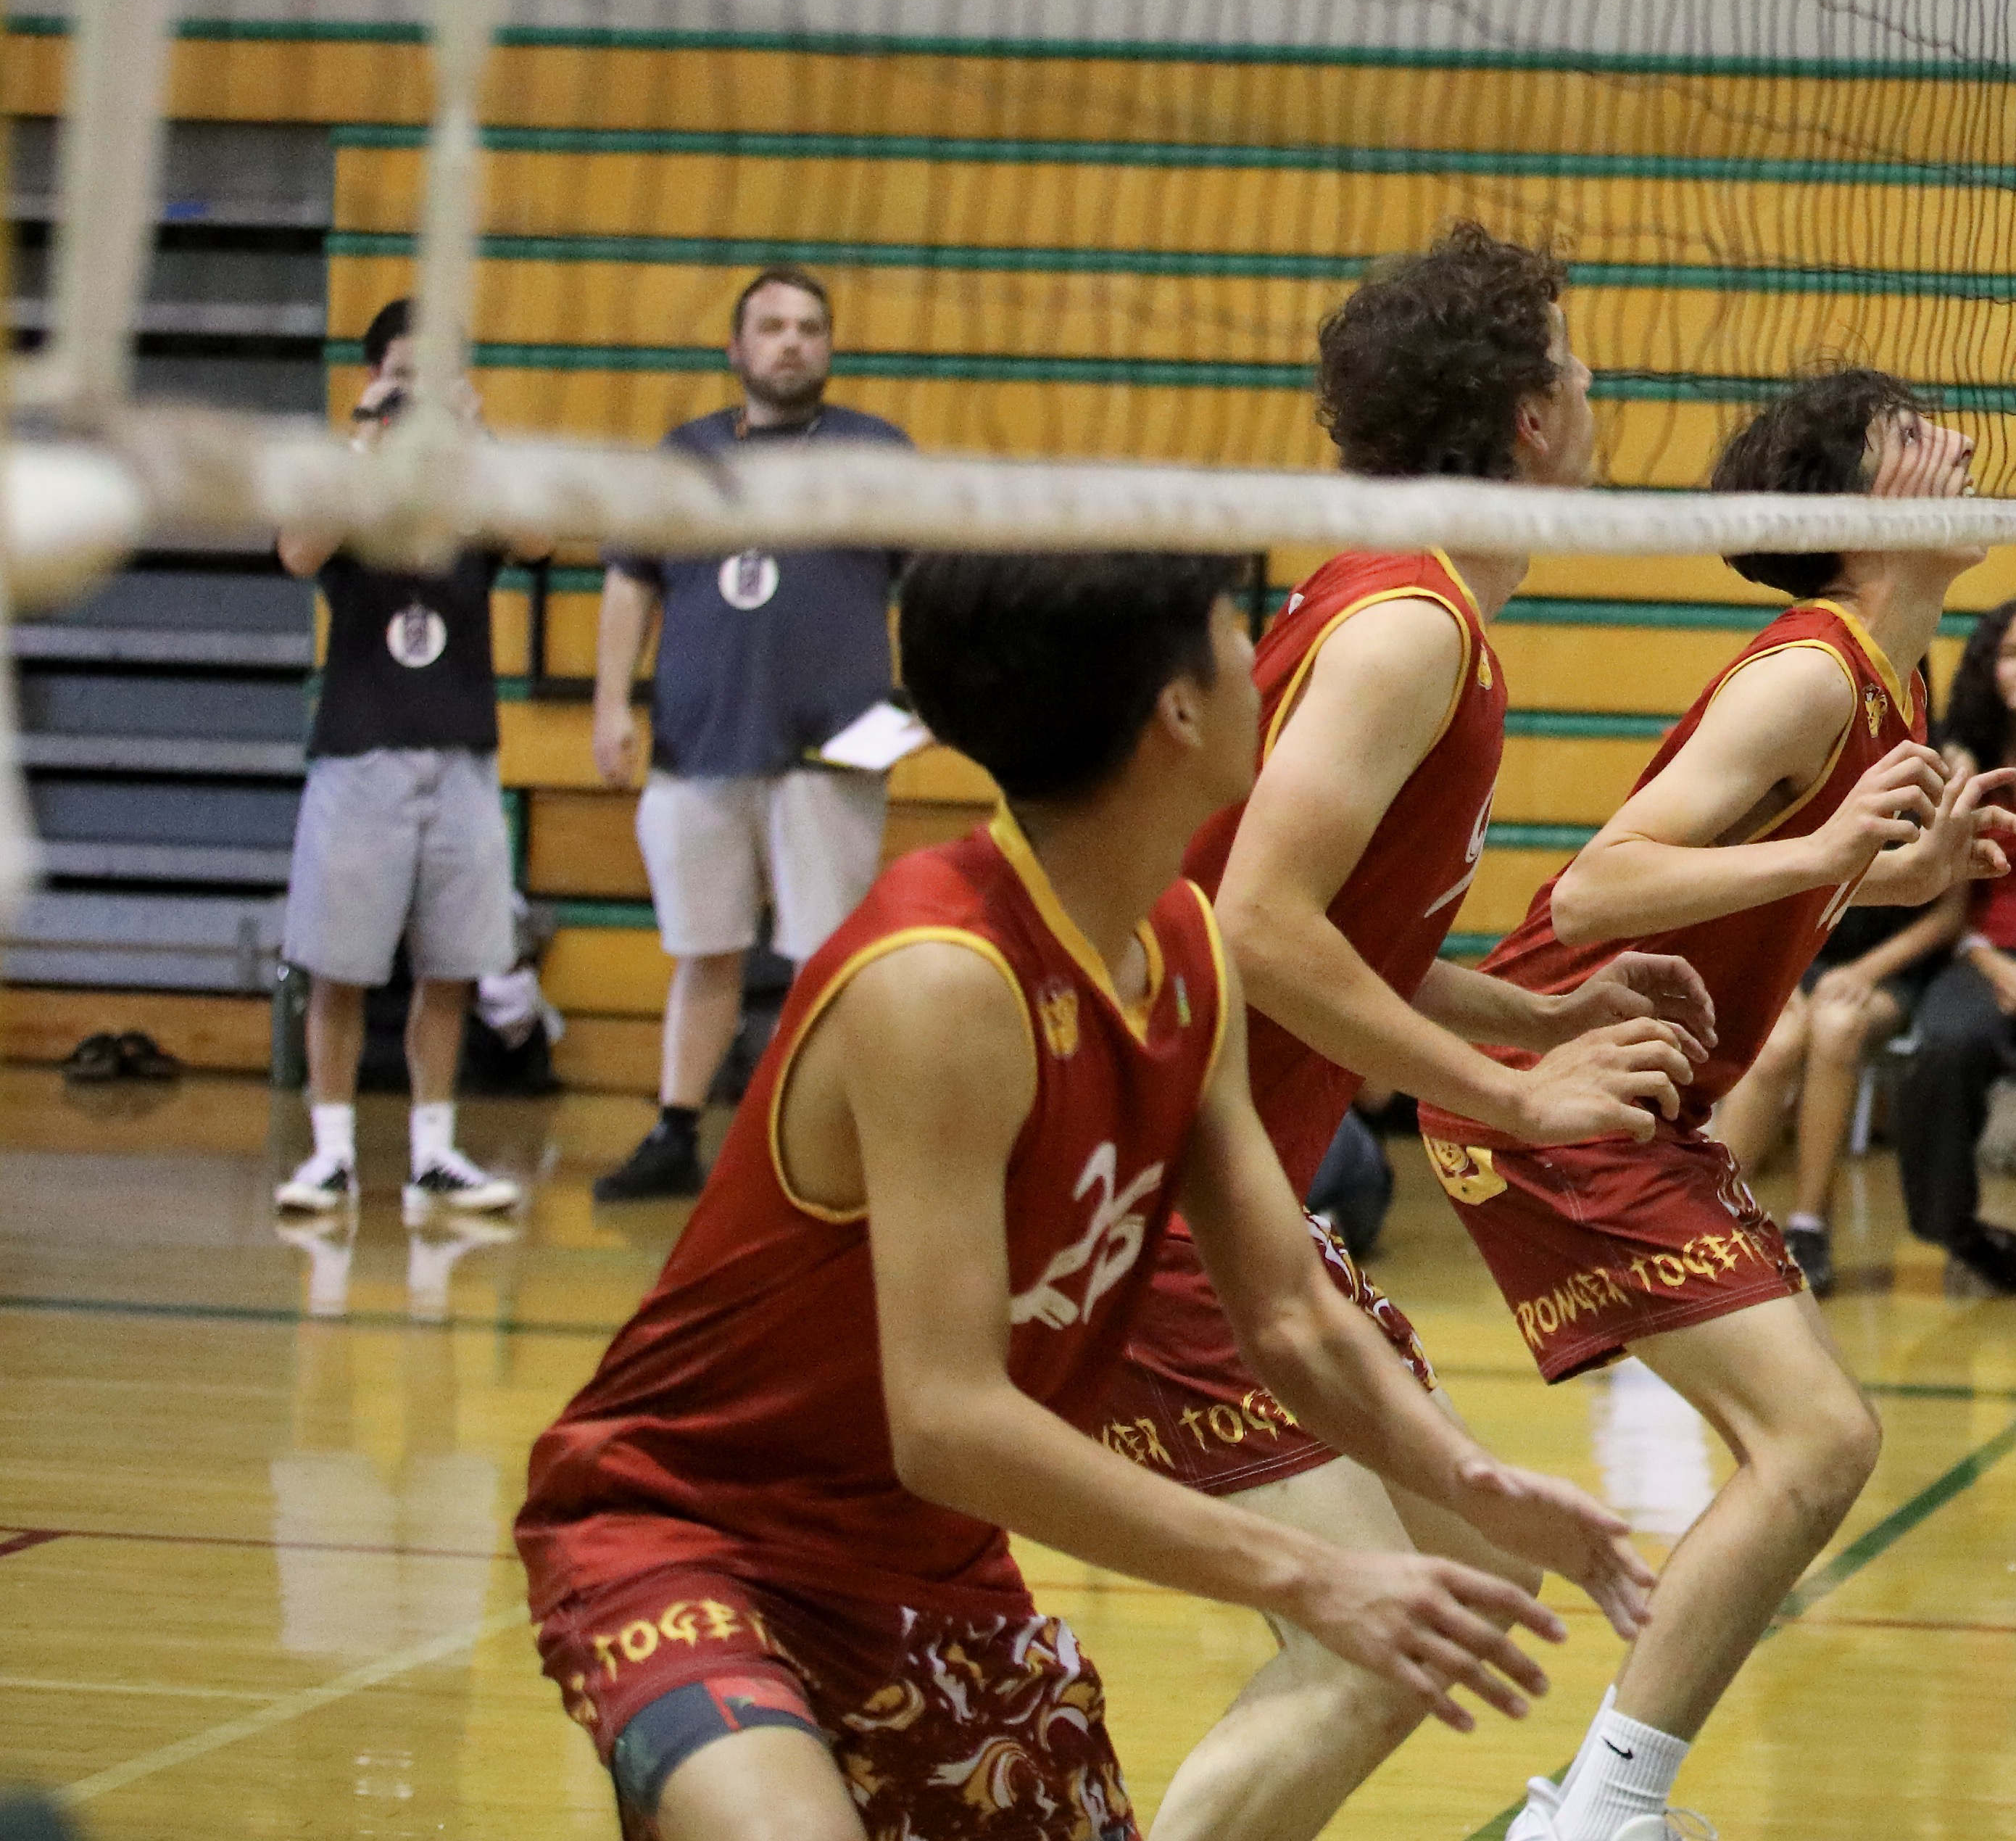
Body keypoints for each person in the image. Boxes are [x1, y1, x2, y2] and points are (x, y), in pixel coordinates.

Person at [515, 550, 1655, 1841]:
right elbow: (947, 1419)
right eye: (1235, 633)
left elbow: (1286, 1312)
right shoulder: (941, 979)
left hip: (925, 1556)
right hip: (687, 1528)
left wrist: (1469, 1477)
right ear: (1177, 709)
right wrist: (1313, 1573)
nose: (1265, 663)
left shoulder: (1182, 947)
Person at [1092, 228, 1723, 1841]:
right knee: (1376, 1639)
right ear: (1529, 418)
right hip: (1162, 1193)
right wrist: (1518, 1093)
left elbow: (1325, 930)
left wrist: (1541, 1009)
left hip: (1229, 1186)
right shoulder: (1409, 629)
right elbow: (1257, 927)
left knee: (1473, 1566)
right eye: (1577, 366)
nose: (1600, 388)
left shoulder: (1416, 612)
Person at [1416, 370, 2016, 1841]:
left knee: (1813, 1444)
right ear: (1856, 512)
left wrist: (1891, 873)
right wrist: (1824, 851)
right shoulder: (1808, 673)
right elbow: (1598, 887)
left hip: (1640, 1095)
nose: (1958, 441)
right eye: (1913, 434)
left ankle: (1599, 1804)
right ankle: (1600, 1813)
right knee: (1817, 1441)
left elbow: (1765, 869)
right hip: (1555, 1087)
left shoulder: (1893, 678)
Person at [590, 268, 916, 1203]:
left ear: (830, 346)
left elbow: (937, 583)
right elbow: (630, 581)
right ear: (735, 348)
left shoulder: (874, 453)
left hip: (831, 752)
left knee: (825, 961)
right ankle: (674, 1132)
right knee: (704, 951)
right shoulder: (684, 456)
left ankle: (810, 1149)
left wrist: (926, 707)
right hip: (697, 746)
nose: (791, 342)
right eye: (771, 327)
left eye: (809, 327)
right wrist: (611, 706)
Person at [1770, 598, 2016, 1297]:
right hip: (1983, 952)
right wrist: (1988, 960)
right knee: (1945, 1045)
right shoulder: (1964, 757)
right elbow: (1952, 896)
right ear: (1988, 669)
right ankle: (1955, 1229)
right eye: (2013, 654)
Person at [270, 299, 551, 1217]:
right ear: (371, 377)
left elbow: (540, 538)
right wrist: (366, 436)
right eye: (402, 375)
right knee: (338, 965)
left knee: (454, 965)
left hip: (461, 753)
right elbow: (299, 552)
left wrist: (476, 434)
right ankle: (331, 1153)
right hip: (360, 753)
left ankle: (436, 1151)